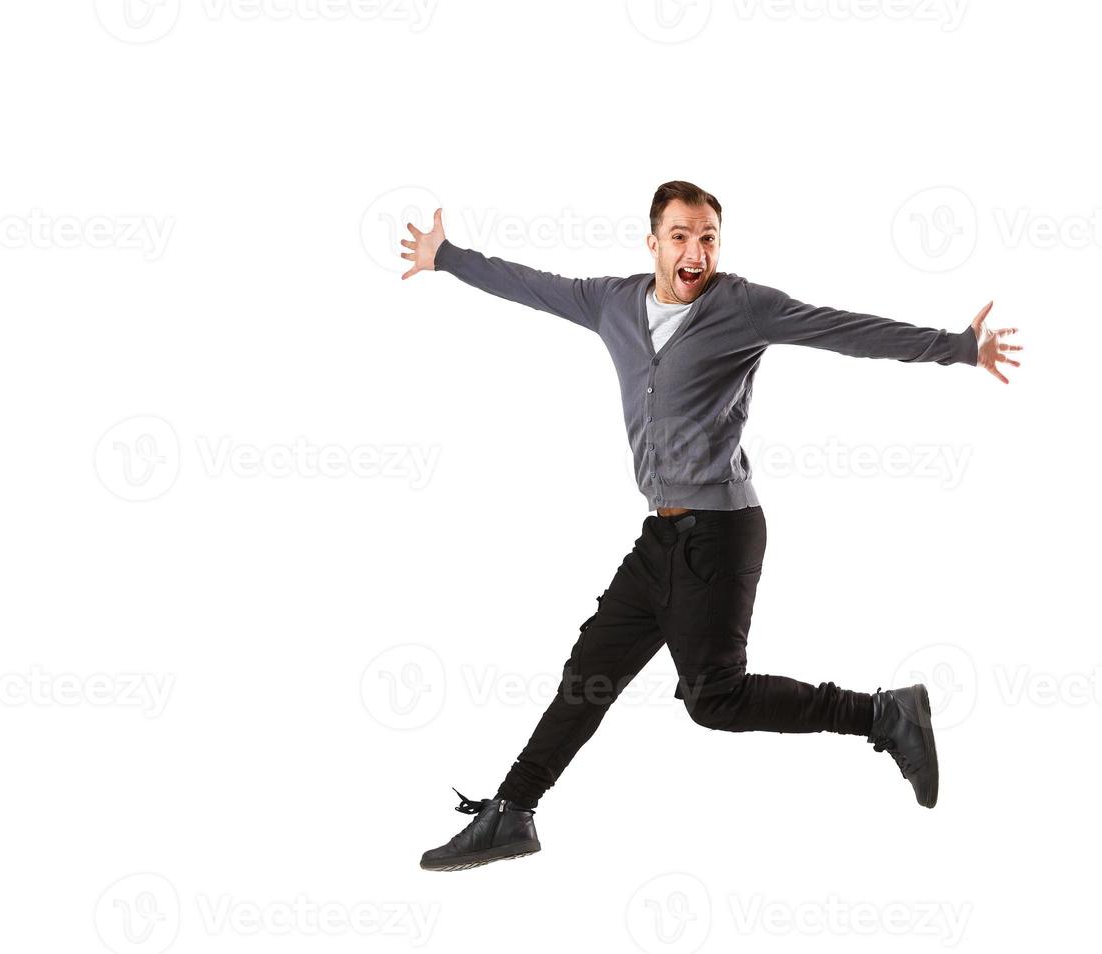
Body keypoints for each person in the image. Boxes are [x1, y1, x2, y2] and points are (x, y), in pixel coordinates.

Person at [400, 180, 1022, 872]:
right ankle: (510, 813)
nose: (695, 251)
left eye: (707, 238)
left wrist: (957, 347)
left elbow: (841, 328)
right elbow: (532, 285)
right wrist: (447, 256)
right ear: (653, 244)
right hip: (660, 536)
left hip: (721, 532)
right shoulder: (611, 302)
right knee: (588, 676)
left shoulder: (740, 307)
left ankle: (882, 714)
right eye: (680, 237)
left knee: (714, 698)